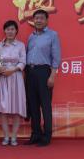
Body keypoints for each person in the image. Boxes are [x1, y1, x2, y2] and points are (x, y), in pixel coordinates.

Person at [25, 9, 61, 147]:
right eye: (36, 18)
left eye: (41, 18)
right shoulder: (31, 36)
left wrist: (52, 76)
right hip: (30, 72)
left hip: (44, 72)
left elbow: (56, 57)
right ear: (33, 20)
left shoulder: (52, 35)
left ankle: (46, 136)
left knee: (45, 105)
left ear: (46, 20)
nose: (38, 20)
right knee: (33, 105)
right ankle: (36, 134)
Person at [0, 20, 27, 146]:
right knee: (3, 109)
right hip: (3, 78)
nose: (10, 31)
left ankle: (14, 136)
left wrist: (13, 70)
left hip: (16, 78)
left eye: (12, 29)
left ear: (16, 31)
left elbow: (23, 62)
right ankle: (6, 136)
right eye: (8, 29)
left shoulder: (21, 45)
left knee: (16, 109)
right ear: (4, 31)